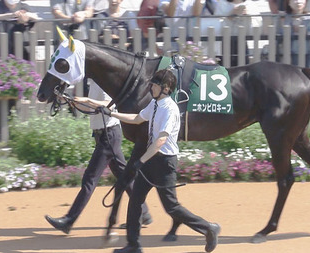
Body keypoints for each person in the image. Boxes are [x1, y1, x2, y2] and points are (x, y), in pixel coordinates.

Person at [101, 69, 220, 253]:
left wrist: (141, 160)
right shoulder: (155, 105)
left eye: (154, 84)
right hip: (151, 160)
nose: (151, 87)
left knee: (171, 207)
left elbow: (161, 140)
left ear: (164, 88)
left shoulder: (170, 109)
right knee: (135, 201)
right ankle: (133, 245)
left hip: (164, 163)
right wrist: (111, 114)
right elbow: (137, 118)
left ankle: (208, 228)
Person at [44, 81, 152, 234]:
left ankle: (69, 220)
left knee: (90, 179)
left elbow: (108, 104)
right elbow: (90, 109)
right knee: (123, 175)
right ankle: (144, 213)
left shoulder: (105, 82)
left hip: (108, 135)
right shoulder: (94, 82)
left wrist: (85, 100)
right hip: (104, 135)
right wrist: (71, 101)